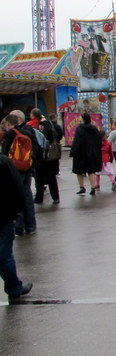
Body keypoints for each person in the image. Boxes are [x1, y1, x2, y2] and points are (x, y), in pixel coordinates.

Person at [1, 112, 39, 235]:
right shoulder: (27, 132)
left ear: (8, 123)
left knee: (16, 196)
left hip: (15, 170)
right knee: (27, 197)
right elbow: (35, 148)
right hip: (27, 168)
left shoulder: (10, 135)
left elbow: (5, 154)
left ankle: (19, 226)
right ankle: (31, 225)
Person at [0, 152, 31, 300]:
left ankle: (14, 287)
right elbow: (17, 189)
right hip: (4, 216)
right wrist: (17, 213)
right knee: (4, 254)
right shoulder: (4, 162)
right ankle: (14, 287)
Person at [69, 112, 102, 196]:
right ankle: (93, 188)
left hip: (81, 153)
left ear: (83, 119)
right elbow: (99, 140)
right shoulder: (94, 129)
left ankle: (82, 187)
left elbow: (77, 141)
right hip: (92, 152)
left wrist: (73, 152)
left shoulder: (79, 129)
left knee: (78, 171)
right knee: (91, 171)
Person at [34, 110, 62, 204]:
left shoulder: (42, 131)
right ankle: (55, 197)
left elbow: (41, 144)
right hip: (51, 158)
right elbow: (58, 136)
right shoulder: (51, 126)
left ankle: (39, 198)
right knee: (51, 179)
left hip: (43, 158)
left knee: (40, 179)